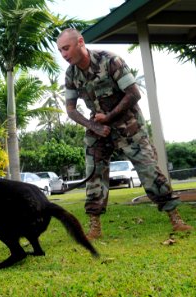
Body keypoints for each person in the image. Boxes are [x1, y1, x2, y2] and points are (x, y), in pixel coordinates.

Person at [56, 28, 193, 240]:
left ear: (80, 42)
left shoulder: (110, 61)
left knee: (149, 170)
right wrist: (94, 127)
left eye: (66, 48)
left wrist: (108, 118)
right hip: (99, 128)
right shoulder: (71, 74)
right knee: (94, 173)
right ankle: (95, 227)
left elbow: (134, 93)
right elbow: (71, 110)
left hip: (128, 125)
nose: (64, 55)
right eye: (60, 51)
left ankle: (175, 218)